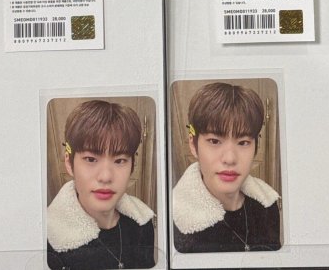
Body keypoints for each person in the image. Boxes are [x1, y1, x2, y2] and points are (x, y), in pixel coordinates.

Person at [172, 82, 281, 253]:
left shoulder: (268, 204)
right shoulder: (175, 222)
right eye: (214, 141)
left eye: (243, 142)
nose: (230, 159)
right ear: (193, 145)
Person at [47, 99, 155, 269]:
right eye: (91, 159)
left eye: (119, 161)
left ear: (132, 166)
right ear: (69, 162)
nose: (105, 177)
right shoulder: (49, 241)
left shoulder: (143, 222)